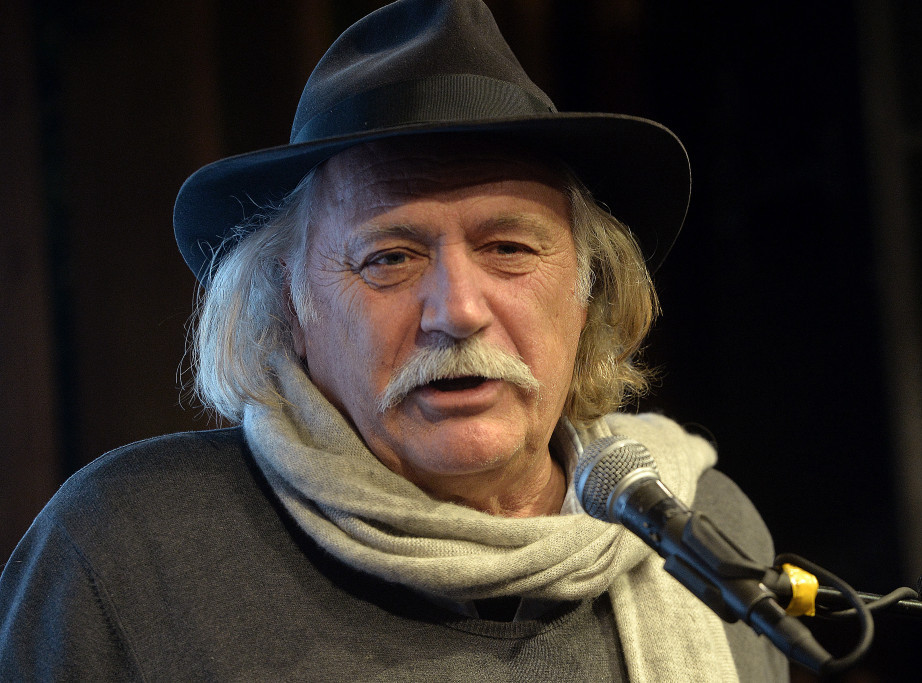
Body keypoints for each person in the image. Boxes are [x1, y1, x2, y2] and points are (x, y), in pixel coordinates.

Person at [0, 0, 789, 680]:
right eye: (389, 258)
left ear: (587, 292)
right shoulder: (125, 552)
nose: (457, 310)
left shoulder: (703, 537)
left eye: (509, 248)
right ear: (290, 306)